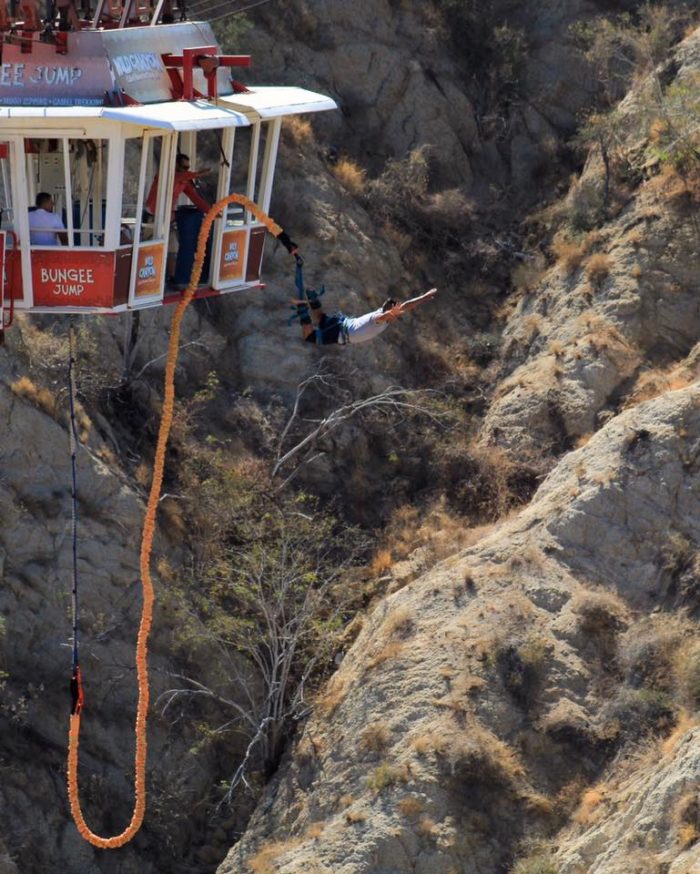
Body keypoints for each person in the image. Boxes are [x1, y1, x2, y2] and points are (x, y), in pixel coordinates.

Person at [144, 153, 212, 281]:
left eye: (188, 168)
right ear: (175, 165)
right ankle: (149, 278)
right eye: (183, 167)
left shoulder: (183, 181)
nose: (186, 170)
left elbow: (195, 198)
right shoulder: (164, 176)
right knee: (150, 248)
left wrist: (210, 211)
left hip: (169, 219)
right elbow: (178, 177)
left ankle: (171, 279)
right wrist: (198, 174)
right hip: (153, 218)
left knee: (172, 250)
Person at [293, 287, 438, 345]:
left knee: (320, 319)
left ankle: (312, 298)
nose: (396, 316)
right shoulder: (379, 319)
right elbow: (381, 318)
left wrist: (423, 297)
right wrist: (390, 314)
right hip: (341, 333)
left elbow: (407, 305)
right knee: (309, 337)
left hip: (343, 323)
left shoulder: (384, 317)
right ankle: (302, 309)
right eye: (394, 313)